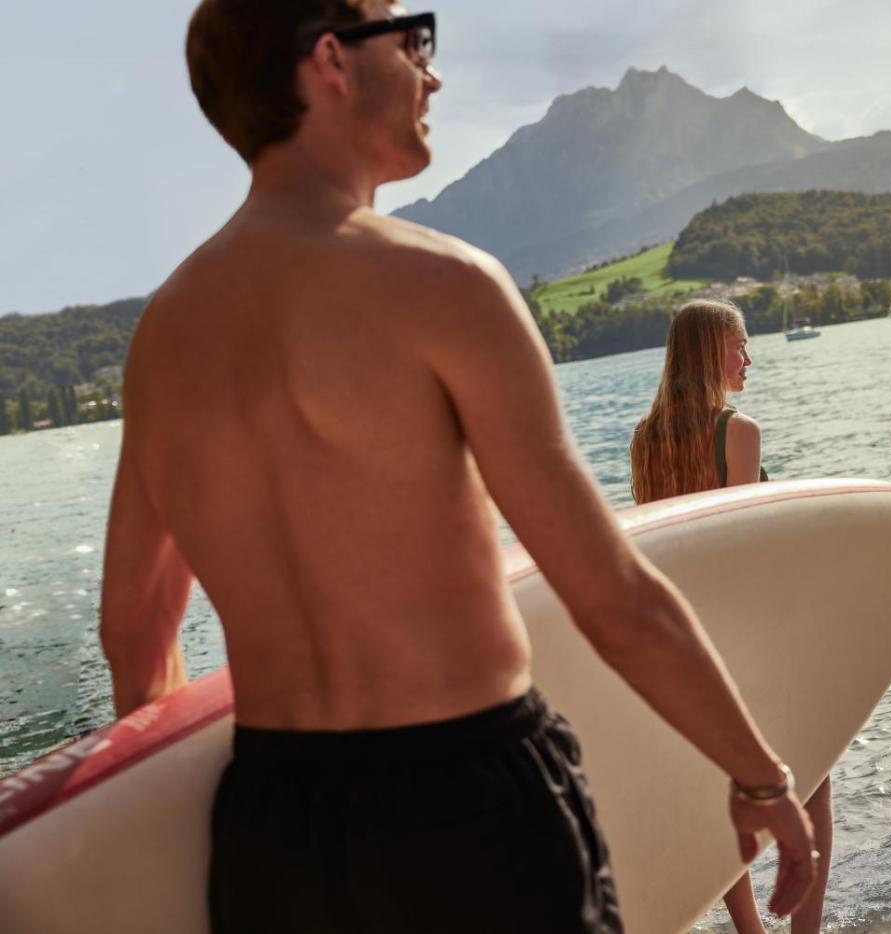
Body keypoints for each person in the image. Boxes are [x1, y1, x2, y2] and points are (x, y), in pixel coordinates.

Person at [98, 3, 816, 931]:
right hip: (467, 810)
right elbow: (612, 597)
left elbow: (136, 642)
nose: (431, 73)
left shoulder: (166, 337)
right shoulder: (444, 287)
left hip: (272, 831)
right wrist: (761, 777)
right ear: (331, 61)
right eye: (411, 40)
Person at [630, 301, 834, 934]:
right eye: (739, 345)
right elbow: (744, 546)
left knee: (720, 792)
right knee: (813, 780)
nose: (748, 358)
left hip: (686, 643)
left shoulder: (645, 439)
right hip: (751, 631)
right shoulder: (737, 432)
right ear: (708, 352)